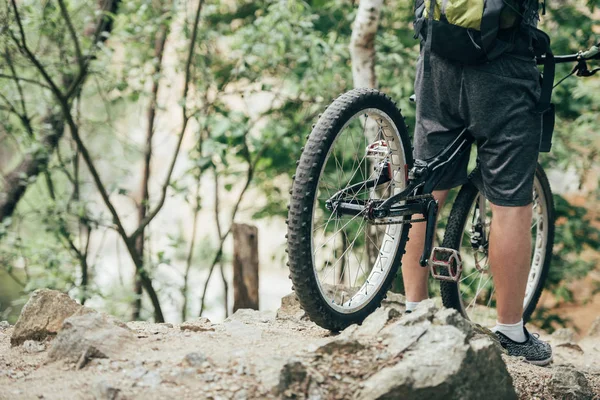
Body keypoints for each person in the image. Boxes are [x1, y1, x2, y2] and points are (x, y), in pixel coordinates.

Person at [403, 1, 553, 366]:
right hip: (504, 65)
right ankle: (511, 331)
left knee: (426, 189)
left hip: (438, 54)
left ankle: (412, 309)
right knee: (511, 202)